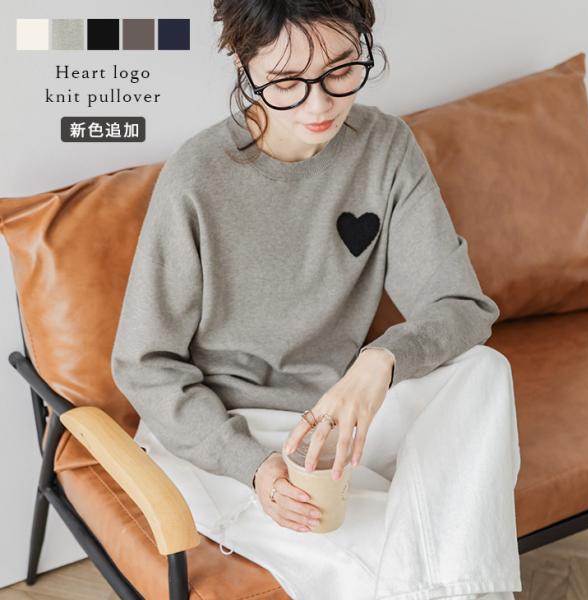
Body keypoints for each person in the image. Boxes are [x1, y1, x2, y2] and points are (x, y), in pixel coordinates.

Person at [111, 1, 522, 598]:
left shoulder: (384, 146)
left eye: (341, 69)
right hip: (232, 435)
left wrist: (378, 363)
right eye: (286, 82)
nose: (320, 104)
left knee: (483, 371)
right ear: (244, 66)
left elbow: (461, 305)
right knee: (414, 561)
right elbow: (143, 365)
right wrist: (251, 465)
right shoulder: (197, 177)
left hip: (339, 415)